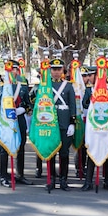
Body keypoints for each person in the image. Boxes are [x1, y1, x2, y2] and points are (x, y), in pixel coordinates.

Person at [0, 59, 33, 188]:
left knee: (21, 147)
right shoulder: (3, 85)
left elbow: (28, 102)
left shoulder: (23, 85)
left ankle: (20, 175)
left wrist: (24, 109)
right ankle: (3, 175)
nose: (14, 72)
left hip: (19, 120)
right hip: (7, 120)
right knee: (4, 148)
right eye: (12, 69)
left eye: (15, 69)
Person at [81, 73, 108, 192]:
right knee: (91, 151)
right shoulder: (90, 89)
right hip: (94, 126)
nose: (91, 78)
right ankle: (88, 181)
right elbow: (84, 103)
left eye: (93, 75)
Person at [42, 58, 76, 190]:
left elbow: (73, 105)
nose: (56, 72)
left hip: (64, 123)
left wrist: (72, 123)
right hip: (50, 123)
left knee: (64, 153)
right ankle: (51, 180)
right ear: (50, 71)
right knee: (51, 153)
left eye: (58, 69)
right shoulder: (45, 85)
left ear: (63, 70)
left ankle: (63, 180)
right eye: (54, 69)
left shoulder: (68, 86)